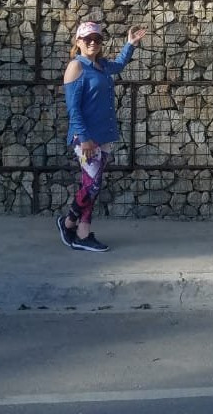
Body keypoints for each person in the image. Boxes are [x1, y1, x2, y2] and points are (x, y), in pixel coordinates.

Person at [56, 21, 147, 252]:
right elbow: (73, 108)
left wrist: (130, 44)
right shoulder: (76, 67)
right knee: (92, 185)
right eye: (87, 39)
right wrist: (84, 137)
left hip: (103, 135)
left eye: (97, 39)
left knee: (92, 185)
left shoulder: (102, 66)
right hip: (85, 138)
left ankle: (81, 232)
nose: (93, 42)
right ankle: (69, 224)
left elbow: (119, 64)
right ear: (78, 42)